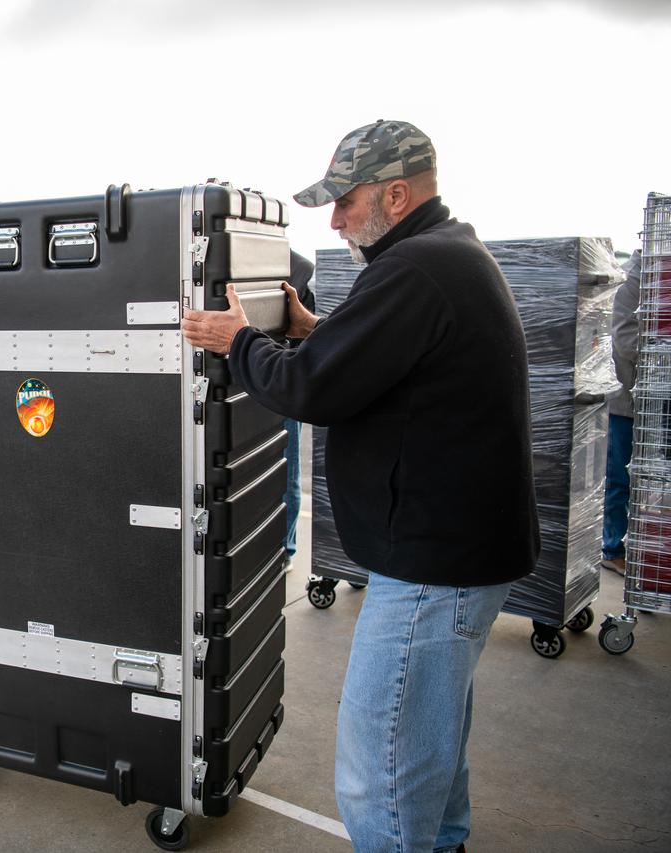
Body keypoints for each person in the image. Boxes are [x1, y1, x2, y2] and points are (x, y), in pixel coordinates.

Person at [182, 119, 539, 853]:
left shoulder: (413, 270)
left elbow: (311, 390)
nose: (337, 220)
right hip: (464, 562)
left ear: (397, 194)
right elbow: (387, 360)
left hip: (431, 573)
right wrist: (317, 329)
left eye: (346, 203)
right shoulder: (447, 256)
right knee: (430, 758)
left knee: (383, 781)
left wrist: (238, 340)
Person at [602, 249, 641, 575]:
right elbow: (626, 340)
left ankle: (643, 549)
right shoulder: (635, 281)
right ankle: (613, 548)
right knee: (619, 480)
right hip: (626, 399)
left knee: (648, 482)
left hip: (651, 404)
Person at [282, 250, 316, 566]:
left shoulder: (298, 268)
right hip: (249, 377)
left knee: (287, 470)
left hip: (281, 381)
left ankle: (285, 550)